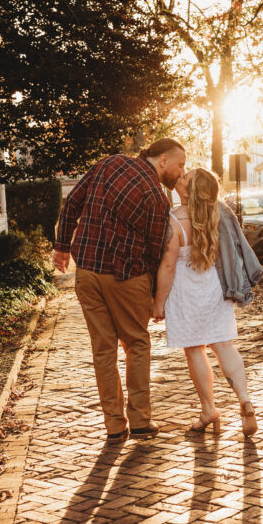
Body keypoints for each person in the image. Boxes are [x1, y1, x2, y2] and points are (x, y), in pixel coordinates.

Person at [53, 138, 186, 443]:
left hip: (87, 272)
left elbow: (72, 202)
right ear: (163, 159)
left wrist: (62, 247)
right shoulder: (156, 196)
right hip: (128, 278)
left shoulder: (108, 164)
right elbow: (155, 251)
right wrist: (155, 295)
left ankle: (114, 426)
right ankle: (139, 422)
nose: (181, 172)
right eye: (180, 164)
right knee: (137, 344)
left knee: (103, 348)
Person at [152, 167, 259, 436]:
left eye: (185, 177)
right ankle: (244, 398)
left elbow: (167, 267)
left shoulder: (174, 221)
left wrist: (158, 303)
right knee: (224, 345)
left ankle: (208, 408)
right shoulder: (219, 213)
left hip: (185, 292)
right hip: (214, 286)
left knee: (195, 350)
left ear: (189, 190)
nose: (181, 176)